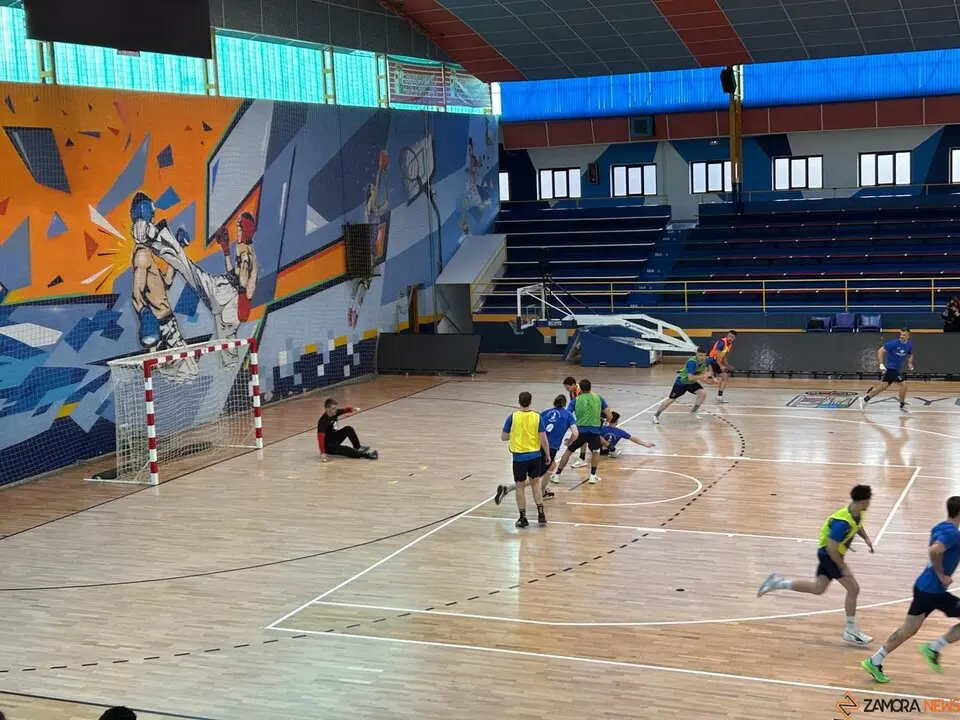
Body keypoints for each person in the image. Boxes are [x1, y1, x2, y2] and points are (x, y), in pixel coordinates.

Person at [757, 485, 875, 646]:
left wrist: (866, 538)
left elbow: (858, 525)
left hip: (830, 554)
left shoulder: (857, 512)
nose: (870, 502)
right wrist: (842, 567)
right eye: (869, 500)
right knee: (853, 589)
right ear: (863, 501)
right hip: (829, 555)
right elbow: (831, 547)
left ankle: (777, 583)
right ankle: (850, 630)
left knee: (818, 588)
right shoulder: (842, 523)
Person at [860, 496, 960, 683]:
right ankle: (933, 648)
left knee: (907, 630)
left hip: (924, 587)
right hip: (933, 591)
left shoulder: (940, 527)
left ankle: (874, 661)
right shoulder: (953, 533)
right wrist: (941, 575)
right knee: (908, 630)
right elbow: (935, 551)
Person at [496, 391, 550, 528]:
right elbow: (543, 439)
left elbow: (503, 437)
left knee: (520, 487)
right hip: (535, 456)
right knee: (535, 483)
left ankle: (523, 517)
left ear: (519, 402)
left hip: (519, 458)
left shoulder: (512, 417)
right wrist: (548, 455)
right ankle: (541, 514)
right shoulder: (537, 417)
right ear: (530, 402)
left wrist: (515, 435)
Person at [552, 379, 612, 485]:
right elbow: (609, 416)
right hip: (594, 431)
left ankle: (557, 475)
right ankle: (592, 476)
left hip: (580, 431)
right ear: (590, 388)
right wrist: (604, 425)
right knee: (596, 452)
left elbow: (567, 415)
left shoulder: (575, 400)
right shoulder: (599, 398)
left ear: (581, 389)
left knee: (568, 451)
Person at [858, 328, 914, 413]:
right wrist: (881, 364)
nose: (901, 336)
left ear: (908, 336)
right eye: (901, 334)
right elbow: (880, 350)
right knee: (904, 385)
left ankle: (864, 399)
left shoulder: (909, 345)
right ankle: (902, 404)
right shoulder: (893, 343)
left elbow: (910, 354)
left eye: (904, 335)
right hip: (891, 368)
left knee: (882, 387)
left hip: (896, 369)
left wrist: (910, 363)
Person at [652, 348, 713, 424]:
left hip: (691, 383)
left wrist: (711, 379)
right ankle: (656, 415)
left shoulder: (706, 361)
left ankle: (693, 412)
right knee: (671, 400)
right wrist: (703, 376)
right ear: (696, 354)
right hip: (681, 382)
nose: (702, 357)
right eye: (700, 355)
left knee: (703, 393)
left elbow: (706, 370)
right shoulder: (692, 362)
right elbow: (690, 377)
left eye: (704, 355)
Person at [707, 330, 737, 403]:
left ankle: (719, 396)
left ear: (734, 338)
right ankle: (709, 375)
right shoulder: (722, 342)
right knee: (711, 379)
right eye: (729, 336)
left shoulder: (729, 345)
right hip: (712, 360)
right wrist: (721, 365)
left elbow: (725, 356)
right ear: (727, 336)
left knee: (725, 376)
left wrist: (727, 365)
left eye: (732, 337)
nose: (730, 338)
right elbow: (717, 355)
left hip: (717, 362)